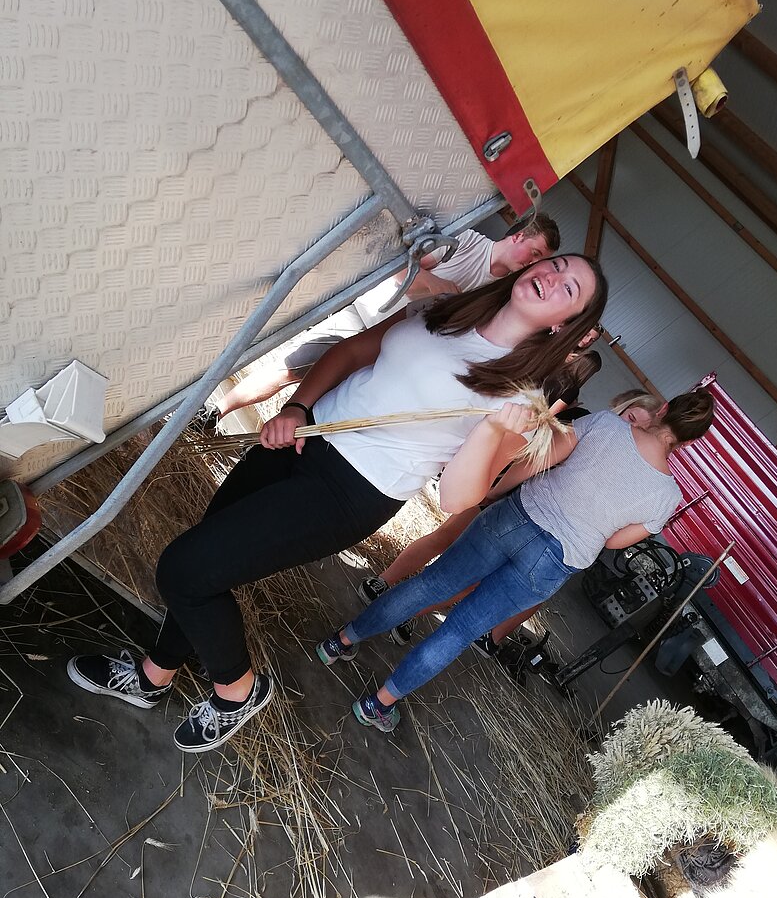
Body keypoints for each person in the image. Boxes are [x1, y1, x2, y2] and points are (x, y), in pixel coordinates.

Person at [67, 254, 606, 752]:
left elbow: (457, 498)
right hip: (306, 436)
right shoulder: (443, 310)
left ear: (565, 324)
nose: (553, 278)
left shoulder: (521, 401)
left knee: (184, 569)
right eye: (556, 265)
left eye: (570, 288)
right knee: (207, 565)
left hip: (351, 491)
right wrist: (298, 407)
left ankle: (237, 691)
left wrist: (491, 432)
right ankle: (152, 677)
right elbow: (351, 352)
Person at [316, 388, 715, 732]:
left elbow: (540, 459)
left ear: (664, 409)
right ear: (689, 441)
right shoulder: (666, 497)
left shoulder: (606, 424)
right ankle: (377, 704)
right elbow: (613, 542)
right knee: (461, 629)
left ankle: (339, 642)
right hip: (557, 559)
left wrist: (493, 490)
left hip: (519, 515)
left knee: (430, 585)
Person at [356, 346, 604, 647]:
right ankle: (404, 608)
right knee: (463, 567)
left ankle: (384, 584)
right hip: (513, 496)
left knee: (448, 544)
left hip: (502, 483)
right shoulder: (577, 415)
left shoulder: (548, 383)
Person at [217, 213, 561, 417]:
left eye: (539, 260)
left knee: (321, 404)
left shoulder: (500, 293)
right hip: (367, 320)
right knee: (291, 370)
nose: (532, 265)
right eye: (534, 254)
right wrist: (436, 285)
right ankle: (215, 412)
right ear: (518, 236)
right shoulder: (464, 243)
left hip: (393, 354)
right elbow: (397, 267)